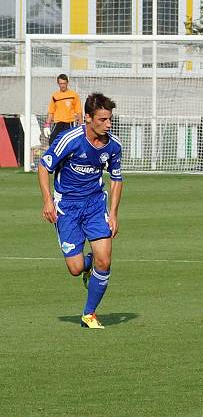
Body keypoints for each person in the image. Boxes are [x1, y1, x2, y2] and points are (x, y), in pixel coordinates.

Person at [37, 93, 123, 329]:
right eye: (103, 119)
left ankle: (89, 315)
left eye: (110, 119)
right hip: (67, 207)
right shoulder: (70, 140)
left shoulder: (113, 145)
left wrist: (113, 214)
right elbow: (44, 167)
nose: (108, 124)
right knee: (75, 269)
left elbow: (116, 180)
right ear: (88, 118)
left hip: (95, 205)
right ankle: (88, 268)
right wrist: (47, 201)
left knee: (104, 261)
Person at [44, 74, 82, 146]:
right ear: (58, 84)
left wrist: (81, 125)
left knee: (70, 144)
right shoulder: (55, 96)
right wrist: (47, 125)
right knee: (52, 143)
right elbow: (51, 111)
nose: (63, 85)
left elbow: (79, 111)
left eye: (64, 83)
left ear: (67, 83)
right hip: (58, 123)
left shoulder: (73, 95)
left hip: (70, 123)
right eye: (61, 83)